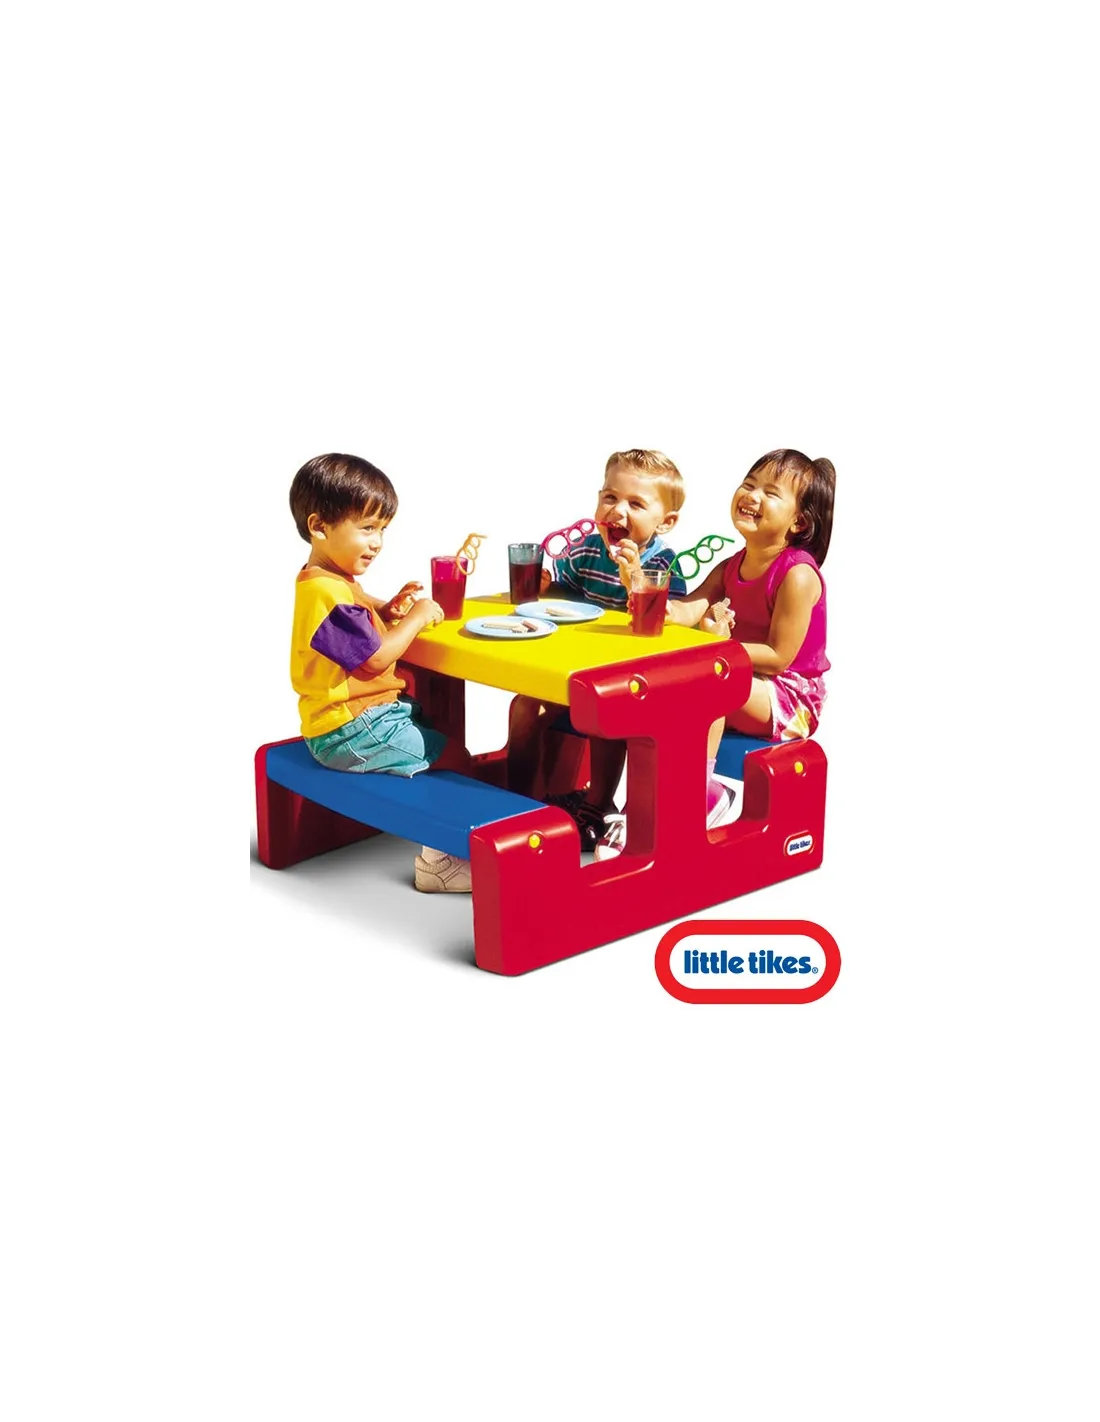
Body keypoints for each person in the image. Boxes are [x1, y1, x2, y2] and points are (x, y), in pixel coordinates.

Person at [595, 448, 835, 860]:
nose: (752, 496)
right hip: (741, 677)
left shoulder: (797, 574)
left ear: (799, 522)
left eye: (770, 493)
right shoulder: (731, 567)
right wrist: (637, 580)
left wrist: (719, 649)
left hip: (790, 698)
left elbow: (778, 656)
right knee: (661, 695)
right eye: (749, 484)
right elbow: (682, 612)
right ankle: (642, 810)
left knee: (710, 680)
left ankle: (702, 796)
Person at [288, 452, 470, 893]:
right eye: (367, 528)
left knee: (435, 729)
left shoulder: (325, 579)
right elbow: (374, 659)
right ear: (319, 526)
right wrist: (417, 617)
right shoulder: (327, 593)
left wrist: (387, 611)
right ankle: (440, 864)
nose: (378, 542)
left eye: (383, 529)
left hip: (348, 722)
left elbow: (355, 622)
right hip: (351, 728)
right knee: (455, 759)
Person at [506, 449, 688, 850]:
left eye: (636, 504)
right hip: (574, 670)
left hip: (630, 682)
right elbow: (566, 596)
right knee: (524, 707)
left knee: (604, 713)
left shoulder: (663, 564)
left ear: (666, 522)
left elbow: (668, 624)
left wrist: (634, 577)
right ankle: (517, 802)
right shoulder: (587, 549)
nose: (617, 511)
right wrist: (547, 587)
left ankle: (599, 803)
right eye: (610, 497)